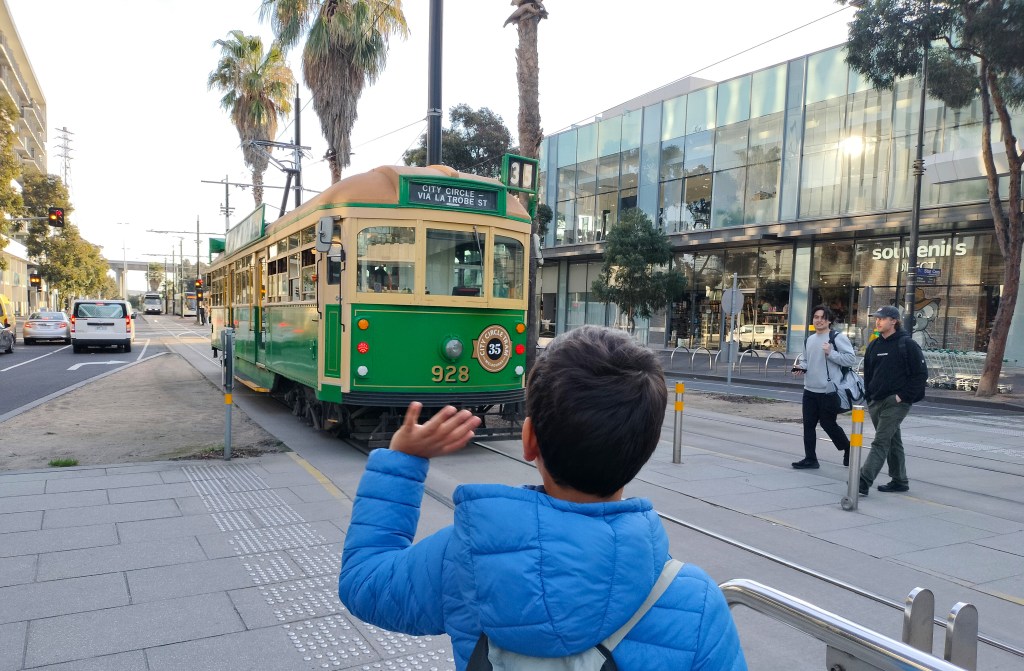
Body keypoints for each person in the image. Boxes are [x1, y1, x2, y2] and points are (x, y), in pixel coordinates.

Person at [338, 326, 747, 671]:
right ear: (645, 449)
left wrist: (402, 460)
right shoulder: (696, 603)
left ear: (529, 440)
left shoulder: (463, 558)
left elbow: (364, 582)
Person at [858, 306, 928, 496]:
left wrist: (902, 397)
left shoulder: (907, 344)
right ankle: (899, 480)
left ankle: (863, 480)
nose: (878, 322)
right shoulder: (874, 345)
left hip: (896, 402)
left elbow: (921, 375)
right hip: (876, 401)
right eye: (876, 318)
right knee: (892, 440)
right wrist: (869, 396)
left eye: (882, 318)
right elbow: (868, 373)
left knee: (880, 441)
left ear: (894, 321)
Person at [792, 305, 858, 469]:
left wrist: (831, 353)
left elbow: (851, 359)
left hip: (829, 391)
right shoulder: (809, 340)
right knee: (808, 425)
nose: (819, 320)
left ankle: (848, 447)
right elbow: (806, 360)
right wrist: (801, 367)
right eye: (816, 317)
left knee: (828, 424)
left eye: (823, 317)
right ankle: (811, 459)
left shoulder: (836, 338)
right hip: (809, 390)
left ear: (829, 320)